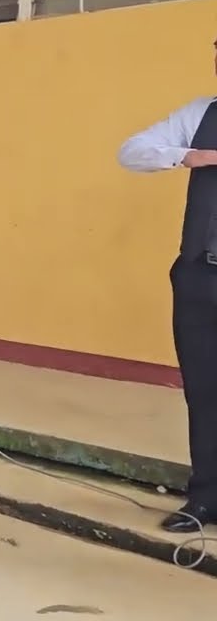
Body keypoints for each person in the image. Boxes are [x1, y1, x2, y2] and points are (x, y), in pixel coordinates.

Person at [118, 66, 217, 533]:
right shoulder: (201, 113)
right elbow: (131, 152)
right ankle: (204, 499)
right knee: (203, 393)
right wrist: (189, 156)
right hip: (199, 274)